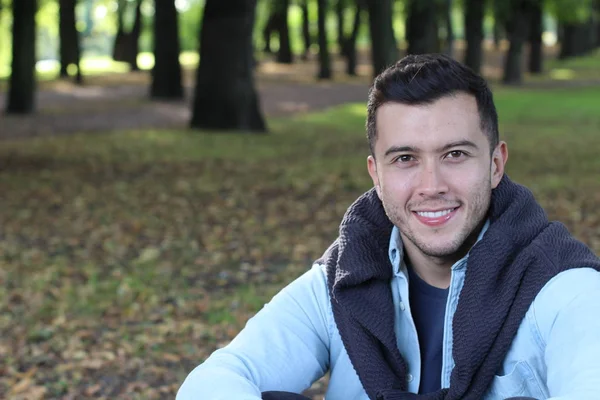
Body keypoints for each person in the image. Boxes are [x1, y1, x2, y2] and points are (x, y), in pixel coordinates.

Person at [177, 54, 600, 400]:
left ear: (495, 164)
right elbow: (215, 380)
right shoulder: (344, 279)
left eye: (454, 154)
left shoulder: (566, 289)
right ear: (375, 175)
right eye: (405, 159)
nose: (431, 186)